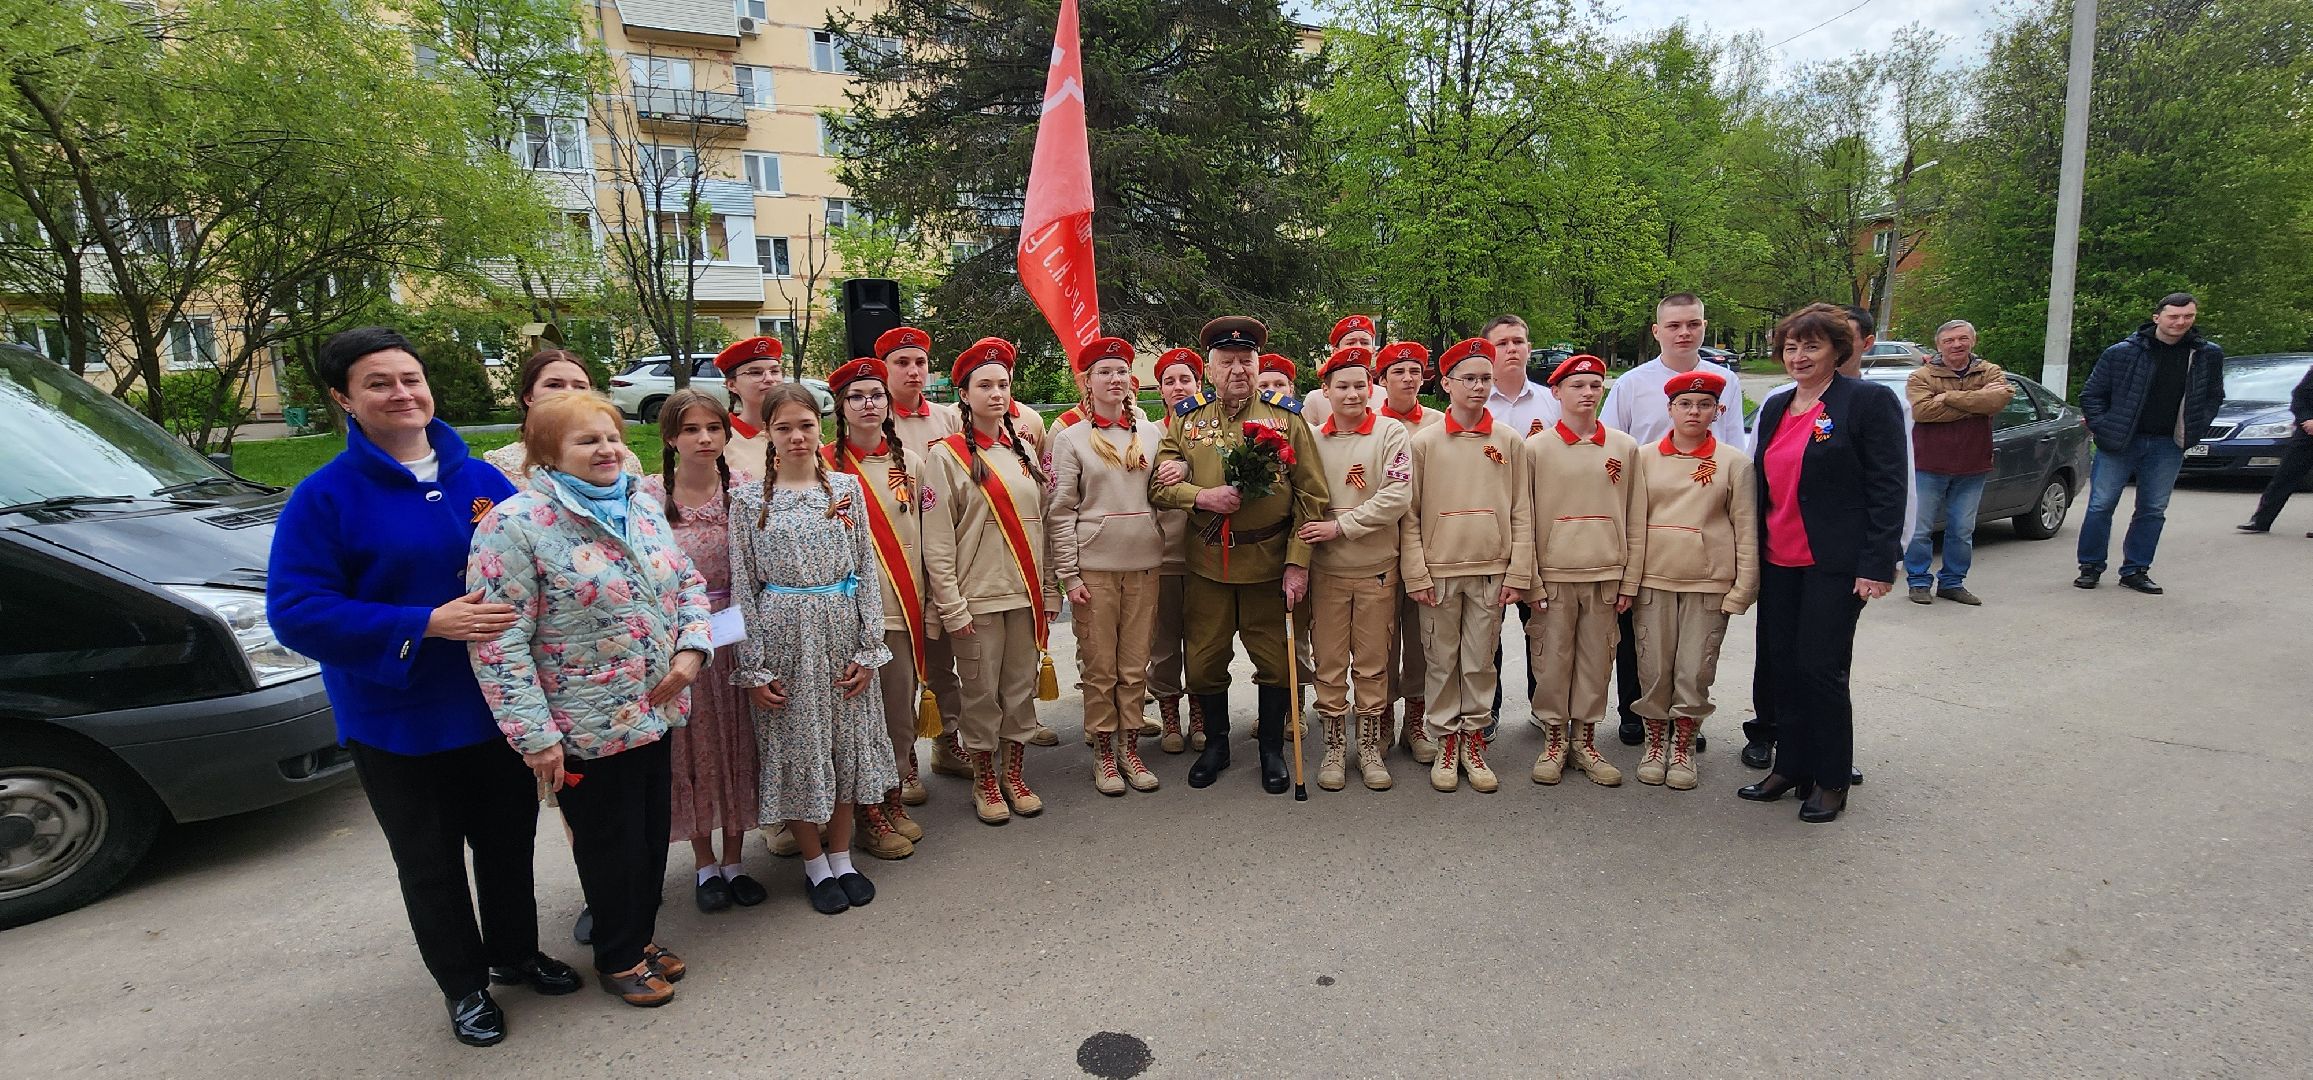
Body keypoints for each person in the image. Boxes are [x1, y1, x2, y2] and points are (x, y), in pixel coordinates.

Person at [267, 327, 577, 1048]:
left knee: (507, 845)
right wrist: (424, 623)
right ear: (344, 398)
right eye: (379, 383)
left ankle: (514, 952)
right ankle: (463, 986)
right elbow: (296, 610)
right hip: (398, 719)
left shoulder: (480, 479)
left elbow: (545, 559)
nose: (402, 393)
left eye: (410, 378)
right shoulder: (324, 498)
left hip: (493, 707)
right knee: (431, 863)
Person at [467, 391, 712, 1005]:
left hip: (654, 707)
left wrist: (692, 650)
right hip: (581, 723)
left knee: (652, 832)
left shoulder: (643, 505)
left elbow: (686, 583)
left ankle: (638, 935)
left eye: (611, 437)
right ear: (547, 453)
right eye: (587, 440)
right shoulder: (513, 524)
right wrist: (536, 738)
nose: (607, 449)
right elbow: (499, 644)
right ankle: (619, 956)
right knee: (609, 843)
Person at [728, 383, 898, 913]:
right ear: (768, 434)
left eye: (805, 425)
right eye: (784, 428)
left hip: (841, 628)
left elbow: (866, 570)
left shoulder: (844, 490)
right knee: (797, 747)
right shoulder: (749, 500)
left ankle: (843, 854)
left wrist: (870, 647)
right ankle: (813, 863)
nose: (796, 437)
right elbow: (742, 585)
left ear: (819, 427)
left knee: (846, 745)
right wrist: (753, 666)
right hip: (784, 636)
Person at [1738, 304, 1906, 824]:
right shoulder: (1776, 406)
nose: (1799, 356)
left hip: (1834, 561)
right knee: (1781, 666)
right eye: (1790, 347)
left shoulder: (1869, 402)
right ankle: (1791, 767)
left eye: (1811, 346)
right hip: (1779, 557)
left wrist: (1878, 561)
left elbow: (1888, 486)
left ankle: (1831, 777)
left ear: (1839, 349)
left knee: (1820, 667)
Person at [1151, 316, 1330, 793]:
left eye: (1245, 361)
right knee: (1206, 660)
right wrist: (1200, 497)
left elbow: (1312, 497)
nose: (1238, 370)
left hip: (1269, 565)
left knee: (1274, 661)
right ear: (1209, 369)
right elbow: (1158, 486)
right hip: (1208, 565)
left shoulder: (1285, 418)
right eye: (1226, 362)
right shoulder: (1187, 419)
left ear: (1257, 365)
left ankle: (1272, 748)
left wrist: (1297, 562)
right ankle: (1217, 745)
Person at [920, 338, 1060, 824]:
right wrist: (952, 606)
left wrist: (1050, 590)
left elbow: (1041, 527)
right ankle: (984, 779)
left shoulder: (1024, 451)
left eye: (1002, 384)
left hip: (1024, 595)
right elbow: (936, 543)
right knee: (980, 694)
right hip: (975, 599)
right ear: (964, 393)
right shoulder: (946, 457)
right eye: (984, 385)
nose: (996, 393)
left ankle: (1013, 773)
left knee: (1019, 690)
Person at [823, 358, 956, 861]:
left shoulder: (911, 465)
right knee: (857, 719)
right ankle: (866, 815)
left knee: (898, 715)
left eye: (877, 395)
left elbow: (928, 539)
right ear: (841, 405)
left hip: (901, 609)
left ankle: (893, 798)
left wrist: (934, 604)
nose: (869, 404)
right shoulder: (823, 467)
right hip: (845, 616)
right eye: (857, 396)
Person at [1598, 294, 1744, 748]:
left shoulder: (1726, 381)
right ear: (1657, 330)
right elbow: (1611, 446)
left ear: (1704, 327)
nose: (1685, 332)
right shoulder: (1633, 384)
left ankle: (1684, 721)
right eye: (1675, 325)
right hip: (1647, 511)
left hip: (1701, 515)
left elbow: (1735, 445)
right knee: (1639, 633)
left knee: (1693, 643)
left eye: (1694, 324)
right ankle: (1634, 712)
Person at [643, 389, 768, 912]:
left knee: (739, 741)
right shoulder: (650, 496)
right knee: (692, 750)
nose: (704, 438)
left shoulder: (744, 490)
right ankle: (704, 864)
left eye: (713, 428)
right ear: (671, 437)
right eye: (691, 429)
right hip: (680, 642)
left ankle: (736, 858)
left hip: (735, 634)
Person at [1403, 336, 1533, 794]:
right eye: (1469, 379)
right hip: (1439, 571)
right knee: (1441, 660)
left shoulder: (1509, 441)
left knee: (1479, 661)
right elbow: (1410, 514)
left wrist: (1518, 572)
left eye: (1485, 378)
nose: (1478, 387)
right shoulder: (1424, 443)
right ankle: (1445, 743)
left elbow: (1522, 510)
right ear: (1448, 384)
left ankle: (1474, 741)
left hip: (1491, 570)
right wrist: (1416, 572)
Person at [1047, 336, 1167, 796]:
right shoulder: (1071, 438)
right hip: (1094, 570)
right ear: (1086, 381)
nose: (1115, 379)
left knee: (1135, 665)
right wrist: (1070, 574)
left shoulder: (1152, 433)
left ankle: (1129, 745)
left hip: (1144, 565)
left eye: (1121, 371)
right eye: (1104, 372)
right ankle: (1102, 750)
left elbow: (1163, 492)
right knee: (1101, 667)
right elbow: (1061, 511)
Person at [1628, 370, 1758, 791]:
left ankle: (1683, 744)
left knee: (1694, 669)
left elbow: (1746, 528)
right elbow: (1631, 522)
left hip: (1707, 582)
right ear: (1670, 409)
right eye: (1685, 404)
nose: (1694, 412)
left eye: (1704, 405)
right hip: (1653, 578)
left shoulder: (1734, 463)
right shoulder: (1642, 458)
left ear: (1717, 411)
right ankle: (1654, 742)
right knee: (1653, 667)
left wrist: (1744, 588)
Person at [1296, 344, 1413, 791]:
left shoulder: (1390, 433)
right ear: (1325, 390)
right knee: (1328, 662)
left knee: (1372, 663)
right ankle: (1332, 747)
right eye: (1341, 386)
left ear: (1372, 388)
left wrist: (1341, 527)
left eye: (1359, 385)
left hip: (1377, 569)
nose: (1351, 394)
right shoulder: (1310, 439)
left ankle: (1367, 747)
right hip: (1326, 572)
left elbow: (1396, 497)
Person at [1523, 354, 1643, 788]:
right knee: (1552, 661)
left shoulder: (1624, 447)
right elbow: (1525, 517)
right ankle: (1555, 740)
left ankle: (1586, 741)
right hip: (1553, 575)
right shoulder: (1534, 448)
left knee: (1596, 661)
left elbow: (1635, 515)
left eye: (1595, 384)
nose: (1587, 392)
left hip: (1605, 574)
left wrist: (1629, 578)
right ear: (1556, 392)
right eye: (1577, 385)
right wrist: (1529, 578)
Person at [874, 327, 982, 780]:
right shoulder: (873, 417)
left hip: (942, 557)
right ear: (885, 371)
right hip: (893, 563)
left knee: (942, 662)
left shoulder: (950, 419)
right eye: (902, 363)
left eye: (919, 362)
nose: (913, 371)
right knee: (895, 671)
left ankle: (947, 739)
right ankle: (901, 760)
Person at [2075, 292, 2227, 593]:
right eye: (2174, 316)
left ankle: (2136, 570)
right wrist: (2104, 429)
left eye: (2188, 316)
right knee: (2100, 505)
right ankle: (2090, 566)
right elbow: (2091, 395)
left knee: (2153, 508)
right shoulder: (2123, 352)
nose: (2180, 322)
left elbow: (2213, 396)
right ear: (2157, 317)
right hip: (2119, 441)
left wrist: (2194, 429)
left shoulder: (2207, 354)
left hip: (2168, 443)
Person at [1480, 315, 1557, 733]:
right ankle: (1486, 710)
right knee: (1487, 625)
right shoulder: (1477, 402)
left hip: (1543, 528)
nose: (1512, 349)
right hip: (1492, 529)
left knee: (1540, 623)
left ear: (1529, 348)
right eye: (1503, 342)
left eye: (1519, 341)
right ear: (1487, 350)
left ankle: (1542, 704)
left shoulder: (1551, 401)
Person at [1904, 320, 2013, 605]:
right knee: (1920, 529)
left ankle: (1952, 583)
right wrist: (1975, 404)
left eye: (1962, 339)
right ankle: (1918, 582)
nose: (1957, 345)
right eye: (1950, 340)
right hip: (1928, 465)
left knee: (1962, 531)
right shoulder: (1921, 376)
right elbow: (1923, 411)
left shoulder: (1989, 371)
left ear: (1972, 341)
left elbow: (1999, 399)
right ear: (1939, 345)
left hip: (1973, 464)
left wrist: (1949, 397)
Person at [1373, 340, 1441, 762]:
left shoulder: (1437, 424)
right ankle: (1381, 717)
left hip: (1427, 547)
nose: (1408, 378)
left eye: (1415, 370)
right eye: (1398, 371)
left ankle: (1415, 721)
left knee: (1418, 641)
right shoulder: (1369, 424)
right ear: (1381, 380)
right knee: (1379, 639)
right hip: (1379, 548)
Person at [1147, 347, 1206, 752]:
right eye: (1170, 381)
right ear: (1161, 390)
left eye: (1185, 379)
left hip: (1206, 555)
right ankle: (1170, 713)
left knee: (1203, 642)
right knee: (1164, 644)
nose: (1178, 387)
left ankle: (1200, 712)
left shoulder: (1213, 432)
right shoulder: (1149, 434)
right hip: (1164, 555)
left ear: (1199, 386)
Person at [483, 350, 643, 482]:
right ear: (529, 397)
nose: (569, 392)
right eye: (554, 385)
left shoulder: (622, 458)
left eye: (580, 386)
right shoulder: (500, 466)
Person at [2237, 364, 2313, 535]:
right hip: (2307, 432)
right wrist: (2306, 419)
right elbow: (2299, 396)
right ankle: (2260, 521)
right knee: (2285, 475)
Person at [716, 336, 787, 478]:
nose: (769, 379)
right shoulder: (721, 439)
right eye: (755, 373)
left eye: (774, 371)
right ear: (732, 385)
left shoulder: (802, 429)